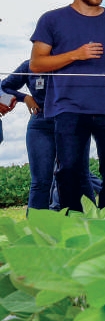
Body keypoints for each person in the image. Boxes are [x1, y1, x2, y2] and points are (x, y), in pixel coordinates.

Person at [28, 0, 105, 211]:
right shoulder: (52, 19)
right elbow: (36, 64)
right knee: (68, 170)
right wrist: (75, 54)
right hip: (68, 108)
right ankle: (74, 223)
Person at [2, 60, 52, 210]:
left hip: (70, 122)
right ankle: (34, 229)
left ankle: (86, 225)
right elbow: (4, 86)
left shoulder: (71, 63)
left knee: (77, 176)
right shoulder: (29, 66)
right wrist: (24, 98)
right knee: (40, 181)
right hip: (40, 122)